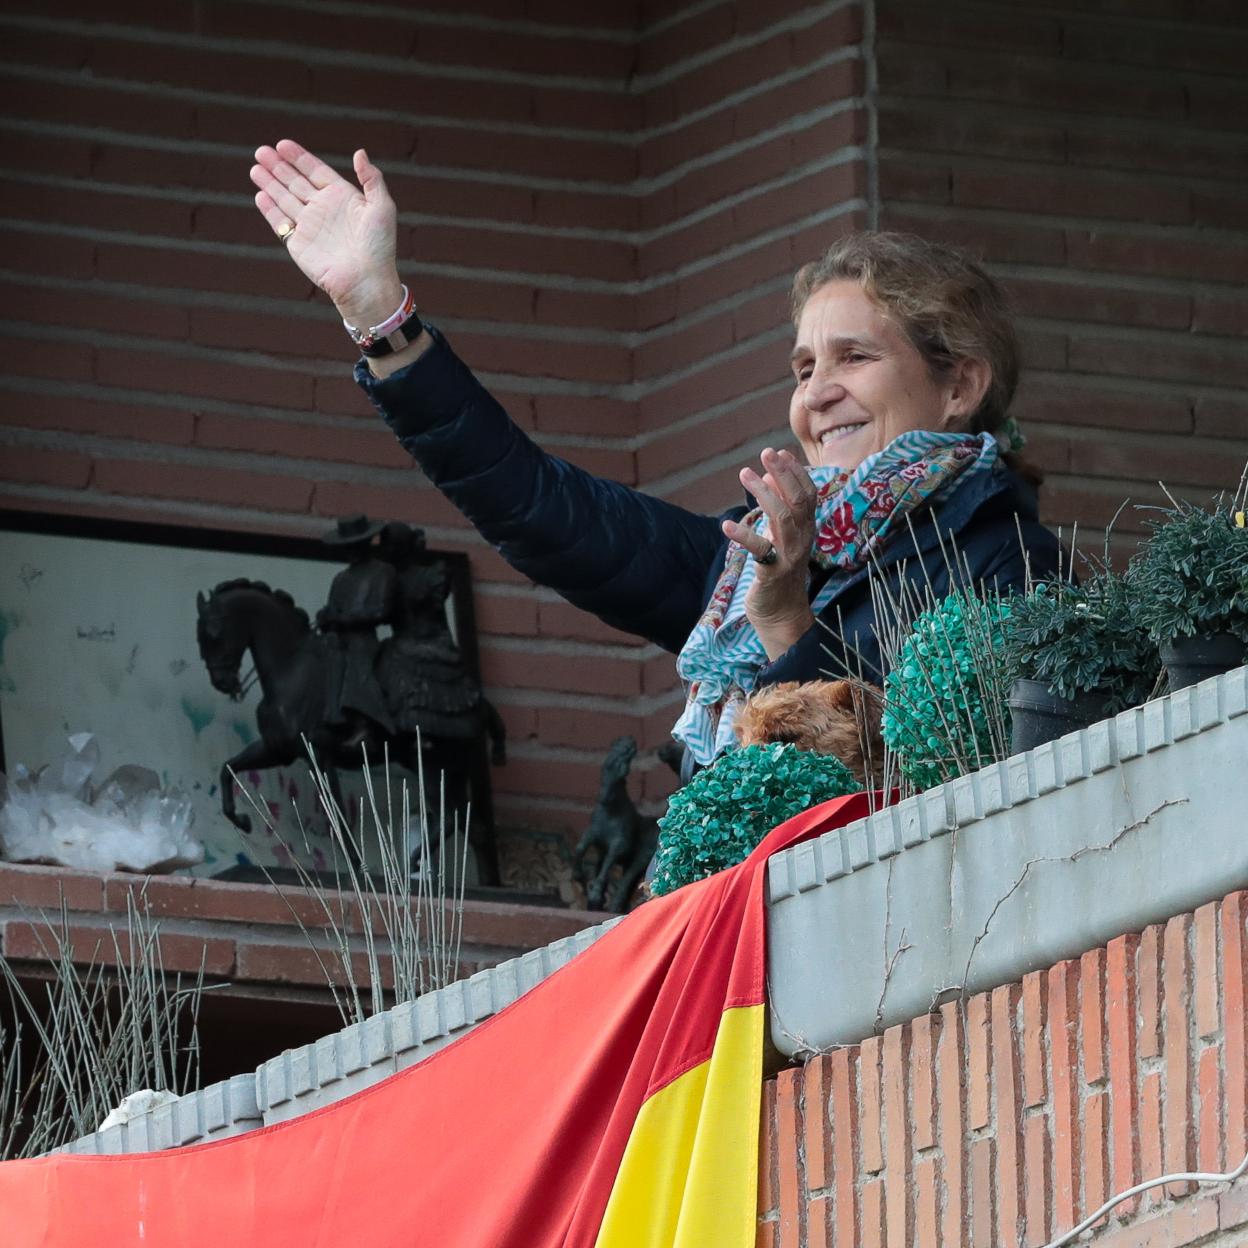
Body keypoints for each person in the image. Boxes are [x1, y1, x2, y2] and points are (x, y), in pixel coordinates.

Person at [251, 140, 1060, 775]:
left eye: (854, 358)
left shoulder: (1013, 562)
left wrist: (784, 624)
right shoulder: (750, 562)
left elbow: (935, 788)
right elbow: (539, 509)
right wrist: (381, 316)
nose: (817, 394)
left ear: (959, 384)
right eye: (804, 368)